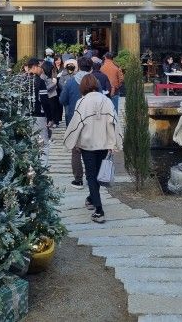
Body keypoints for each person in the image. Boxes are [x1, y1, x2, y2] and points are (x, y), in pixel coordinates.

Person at [63, 74, 122, 223]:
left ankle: (99, 210)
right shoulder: (107, 101)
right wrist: (115, 142)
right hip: (103, 143)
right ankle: (91, 198)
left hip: (87, 144)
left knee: (91, 175)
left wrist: (70, 141)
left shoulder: (82, 102)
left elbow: (76, 124)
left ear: (82, 87)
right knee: (98, 174)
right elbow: (114, 122)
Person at [59, 56, 93, 189]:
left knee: (76, 150)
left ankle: (78, 179)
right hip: (92, 120)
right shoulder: (94, 82)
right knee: (91, 149)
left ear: (78, 66)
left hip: (74, 120)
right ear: (90, 67)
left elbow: (62, 100)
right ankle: (91, 178)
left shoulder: (71, 82)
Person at [26, 58, 52, 167]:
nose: (42, 69)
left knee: (29, 143)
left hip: (25, 116)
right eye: (40, 67)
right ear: (35, 67)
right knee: (43, 143)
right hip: (39, 116)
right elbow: (45, 101)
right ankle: (42, 168)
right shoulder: (40, 82)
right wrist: (50, 117)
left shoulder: (21, 80)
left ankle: (29, 166)